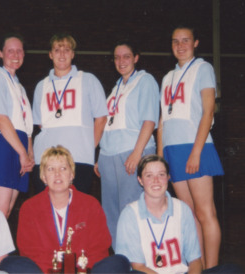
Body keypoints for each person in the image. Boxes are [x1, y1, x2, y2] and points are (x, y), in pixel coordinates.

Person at [0, 146, 130, 274]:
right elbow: (29, 252)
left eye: (63, 168)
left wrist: (80, 268)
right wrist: (55, 269)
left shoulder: (91, 205)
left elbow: (100, 249)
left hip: (84, 270)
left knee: (119, 261)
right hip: (45, 271)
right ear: (44, 177)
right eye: (50, 169)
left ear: (71, 175)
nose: (57, 174)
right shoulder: (29, 208)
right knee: (10, 263)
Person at [157, 25, 224, 269]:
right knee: (190, 215)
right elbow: (162, 120)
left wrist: (196, 152)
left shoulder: (203, 68)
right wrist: (160, 156)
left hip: (196, 147)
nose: (180, 45)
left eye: (186, 40)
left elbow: (208, 111)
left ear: (195, 43)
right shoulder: (167, 78)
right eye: (176, 41)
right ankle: (199, 267)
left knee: (206, 213)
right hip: (173, 151)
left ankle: (213, 268)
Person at [116, 155, 241, 274]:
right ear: (140, 180)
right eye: (149, 176)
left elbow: (195, 261)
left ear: (168, 177)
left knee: (233, 270)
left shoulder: (182, 209)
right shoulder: (130, 214)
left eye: (161, 174)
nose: (156, 180)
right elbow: (137, 266)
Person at [95, 40, 159, 250]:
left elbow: (149, 120)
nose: (121, 61)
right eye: (117, 57)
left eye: (126, 56)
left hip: (132, 154)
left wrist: (137, 153)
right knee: (111, 213)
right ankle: (120, 262)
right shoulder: (115, 88)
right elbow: (107, 124)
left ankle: (137, 263)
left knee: (131, 210)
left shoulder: (145, 80)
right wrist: (100, 156)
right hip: (109, 156)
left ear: (136, 58)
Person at [32, 33, 108, 194]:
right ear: (50, 54)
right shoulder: (41, 85)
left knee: (77, 211)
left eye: (66, 50)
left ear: (73, 54)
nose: (62, 54)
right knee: (47, 210)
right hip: (45, 159)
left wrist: (89, 147)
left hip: (79, 158)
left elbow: (101, 119)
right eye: (57, 50)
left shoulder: (88, 80)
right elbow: (40, 124)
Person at [0, 33, 34, 217]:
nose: (15, 54)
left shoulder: (19, 86)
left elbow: (26, 126)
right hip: (2, 143)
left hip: (18, 145)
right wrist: (22, 152)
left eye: (19, 51)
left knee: (7, 211)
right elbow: (1, 119)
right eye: (10, 51)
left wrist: (29, 153)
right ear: (0, 53)